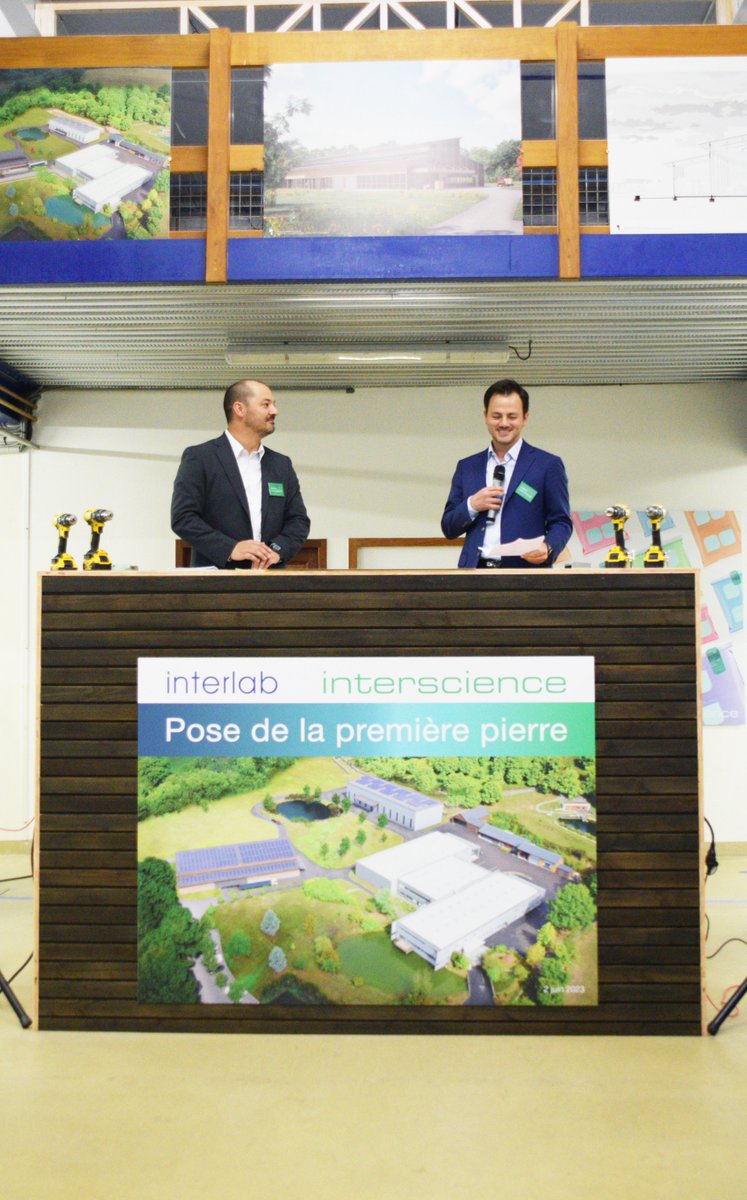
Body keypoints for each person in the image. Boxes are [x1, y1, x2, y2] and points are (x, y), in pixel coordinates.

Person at [171, 379, 310, 569]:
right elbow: (183, 518)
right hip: (217, 582)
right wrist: (231, 548)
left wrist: (276, 551)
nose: (274, 411)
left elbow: (298, 520)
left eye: (274, 405)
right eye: (266, 404)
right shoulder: (200, 458)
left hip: (271, 581)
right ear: (240, 409)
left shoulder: (281, 465)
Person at [441, 379, 572, 569]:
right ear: (485, 416)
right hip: (474, 575)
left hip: (525, 576)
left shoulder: (548, 465)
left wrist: (548, 547)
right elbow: (448, 527)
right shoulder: (467, 467)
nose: (504, 423)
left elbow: (561, 522)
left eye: (512, 416)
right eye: (496, 416)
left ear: (525, 418)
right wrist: (472, 505)